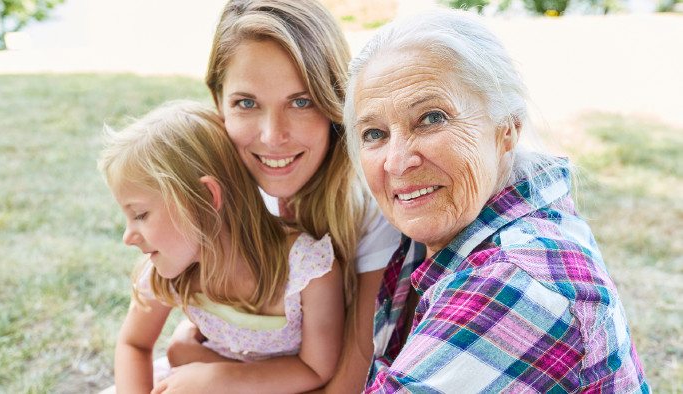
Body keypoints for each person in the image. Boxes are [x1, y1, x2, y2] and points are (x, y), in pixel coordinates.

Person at [344, 9, 650, 393]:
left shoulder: (516, 281)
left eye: (431, 117)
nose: (397, 161)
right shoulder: (498, 211)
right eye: (374, 133)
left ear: (507, 127)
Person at [159, 0, 401, 392]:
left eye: (301, 101)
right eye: (247, 103)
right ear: (218, 103)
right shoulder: (226, 191)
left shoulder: (370, 206)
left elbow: (358, 362)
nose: (273, 136)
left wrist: (222, 374)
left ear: (335, 102)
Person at [98, 100, 345, 393]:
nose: (128, 236)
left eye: (140, 215)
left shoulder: (308, 271)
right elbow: (134, 344)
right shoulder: (164, 274)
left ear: (204, 197)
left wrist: (218, 379)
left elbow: (316, 369)